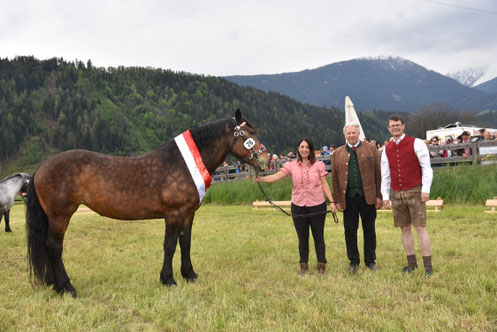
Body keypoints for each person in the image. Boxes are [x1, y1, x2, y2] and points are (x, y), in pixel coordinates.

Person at [254, 138, 334, 276]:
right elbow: (276, 176)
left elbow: (324, 184)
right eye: (302, 147)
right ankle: (304, 266)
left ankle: (321, 265)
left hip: (317, 205)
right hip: (298, 206)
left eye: (307, 147)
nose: (304, 150)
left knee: (318, 236)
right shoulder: (291, 166)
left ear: (310, 149)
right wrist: (262, 179)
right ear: (298, 149)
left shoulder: (318, 165)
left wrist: (331, 201)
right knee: (302, 237)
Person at [381, 115, 434, 276]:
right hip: (396, 192)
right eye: (392, 126)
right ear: (389, 128)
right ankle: (411, 264)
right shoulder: (386, 149)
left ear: (403, 126)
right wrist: (385, 196)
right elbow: (385, 174)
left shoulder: (416, 143)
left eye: (397, 125)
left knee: (420, 228)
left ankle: (428, 266)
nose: (395, 127)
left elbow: (426, 167)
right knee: (404, 229)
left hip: (415, 190)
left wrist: (426, 189)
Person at [331, 123, 382, 273]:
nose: (351, 135)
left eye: (354, 133)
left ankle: (370, 261)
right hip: (349, 199)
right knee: (350, 231)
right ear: (345, 135)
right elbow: (334, 179)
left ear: (358, 134)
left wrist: (379, 196)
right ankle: (353, 261)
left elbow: (378, 174)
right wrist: (337, 200)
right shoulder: (337, 153)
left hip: (368, 197)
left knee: (369, 230)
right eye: (349, 133)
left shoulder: (371, 149)